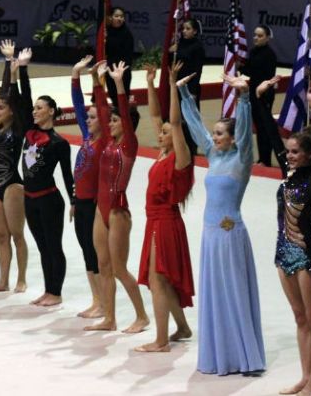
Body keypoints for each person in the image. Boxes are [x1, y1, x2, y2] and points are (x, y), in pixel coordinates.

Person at [178, 72, 266, 375]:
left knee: (234, 294)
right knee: (215, 295)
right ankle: (221, 355)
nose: (213, 138)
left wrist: (243, 97)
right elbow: (195, 128)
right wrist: (184, 94)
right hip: (210, 236)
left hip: (230, 234)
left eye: (219, 134)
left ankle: (243, 357)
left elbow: (244, 134)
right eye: (214, 134)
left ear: (231, 137)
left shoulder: (241, 160)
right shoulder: (214, 157)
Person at [255, 76, 311, 396]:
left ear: (309, 155)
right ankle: (303, 377)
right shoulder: (289, 172)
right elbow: (271, 133)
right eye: (289, 152)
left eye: (296, 151)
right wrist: (260, 99)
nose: (290, 155)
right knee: (299, 319)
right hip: (282, 253)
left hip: (306, 254)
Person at [83, 61, 150, 333]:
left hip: (118, 211)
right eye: (108, 120)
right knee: (104, 265)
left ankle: (142, 316)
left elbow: (122, 108)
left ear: (127, 124)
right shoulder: (108, 142)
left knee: (120, 269)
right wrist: (96, 81)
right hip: (101, 208)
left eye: (114, 120)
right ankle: (109, 319)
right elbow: (101, 107)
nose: (109, 123)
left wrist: (118, 83)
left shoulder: (129, 144)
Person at [134, 62, 195, 352]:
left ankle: (160, 340)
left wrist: (172, 85)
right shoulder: (163, 150)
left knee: (158, 279)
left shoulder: (180, 159)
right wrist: (149, 82)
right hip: (153, 222)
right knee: (162, 278)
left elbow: (176, 122)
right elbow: (156, 114)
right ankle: (181, 327)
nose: (160, 133)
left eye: (165, 132)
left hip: (165, 222)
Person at [21, 48, 75, 307]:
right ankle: (47, 289)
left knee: (53, 246)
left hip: (49, 200)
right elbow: (23, 98)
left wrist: (74, 201)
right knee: (42, 246)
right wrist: (22, 68)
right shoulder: (29, 133)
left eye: (40, 108)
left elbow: (67, 175)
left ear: (51, 111)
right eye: (34, 108)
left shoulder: (58, 143)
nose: (34, 111)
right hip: (29, 199)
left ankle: (57, 291)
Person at [0, 40, 29, 293]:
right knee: (1, 235)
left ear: (12, 111)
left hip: (12, 184)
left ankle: (21, 278)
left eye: (1, 108)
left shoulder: (17, 129)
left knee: (17, 235)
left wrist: (12, 66)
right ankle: (3, 280)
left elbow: (14, 98)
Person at [69, 56, 107, 318]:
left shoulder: (102, 141)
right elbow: (78, 104)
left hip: (94, 204)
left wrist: (96, 81)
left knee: (95, 253)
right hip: (80, 202)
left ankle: (105, 302)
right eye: (88, 117)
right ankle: (96, 300)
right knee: (85, 250)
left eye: (94, 117)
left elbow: (101, 107)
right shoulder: (86, 137)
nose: (89, 119)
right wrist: (75, 74)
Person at [239, 25, 277, 166]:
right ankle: (261, 158)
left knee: (264, 127)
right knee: (259, 127)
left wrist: (245, 69)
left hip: (264, 94)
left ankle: (265, 159)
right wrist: (240, 67)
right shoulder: (254, 52)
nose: (256, 38)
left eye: (260, 36)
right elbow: (250, 70)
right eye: (255, 35)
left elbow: (264, 75)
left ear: (267, 38)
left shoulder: (270, 55)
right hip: (253, 93)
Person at [169, 18, 205, 156]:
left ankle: (192, 147)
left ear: (195, 31)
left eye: (188, 28)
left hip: (190, 88)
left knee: (190, 119)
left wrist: (193, 90)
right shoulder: (179, 44)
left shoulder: (198, 47)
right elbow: (171, 64)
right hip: (177, 86)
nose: (184, 31)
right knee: (177, 116)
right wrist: (170, 52)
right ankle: (178, 144)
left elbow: (197, 70)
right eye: (183, 28)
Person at [103, 7, 134, 104]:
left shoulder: (127, 34)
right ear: (111, 17)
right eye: (116, 16)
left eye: (121, 16)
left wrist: (123, 70)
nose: (119, 18)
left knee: (123, 97)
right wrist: (104, 41)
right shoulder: (106, 32)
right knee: (113, 95)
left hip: (123, 70)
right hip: (110, 68)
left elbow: (129, 55)